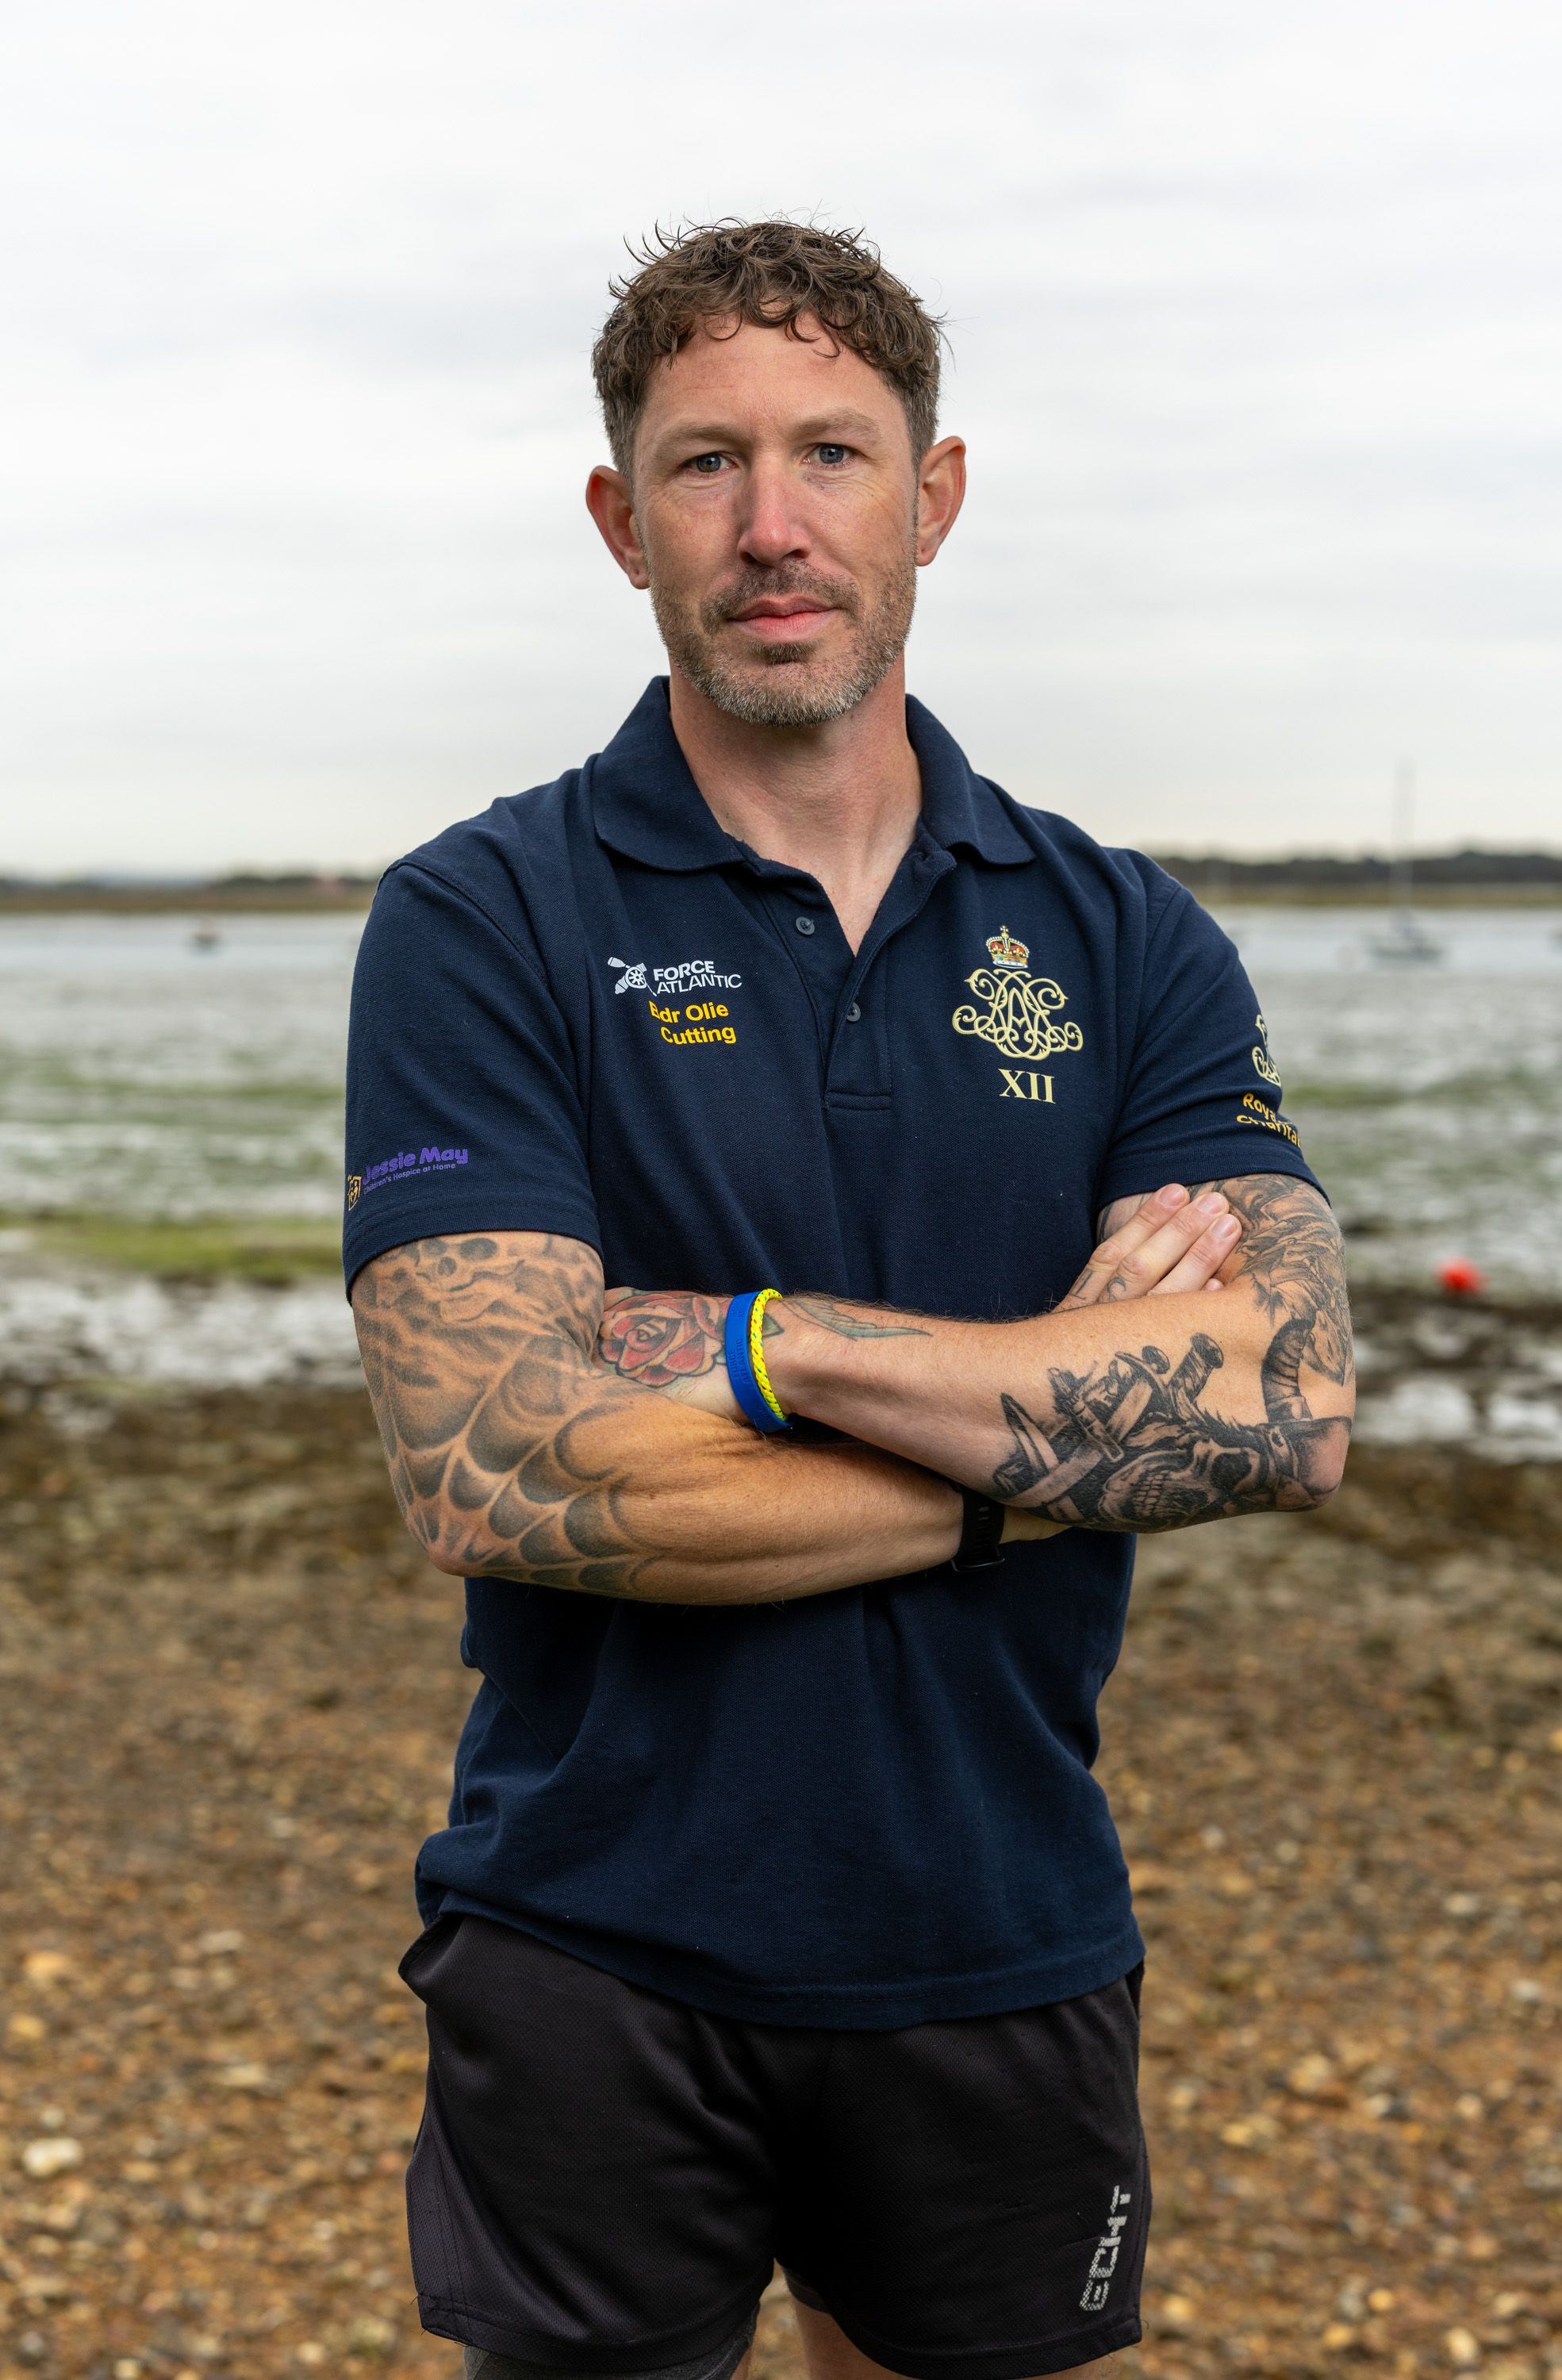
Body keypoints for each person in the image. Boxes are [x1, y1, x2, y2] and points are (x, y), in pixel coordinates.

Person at [343, 220, 1353, 2380]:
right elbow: (497, 1465)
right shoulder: (480, 916)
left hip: (999, 1927)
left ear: (936, 497)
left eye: (831, 455)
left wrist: (751, 1341)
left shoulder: (1116, 931)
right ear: (622, 521)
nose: (772, 527)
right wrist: (1056, 1436)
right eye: (705, 465)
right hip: (590, 1928)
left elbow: (1284, 1395)